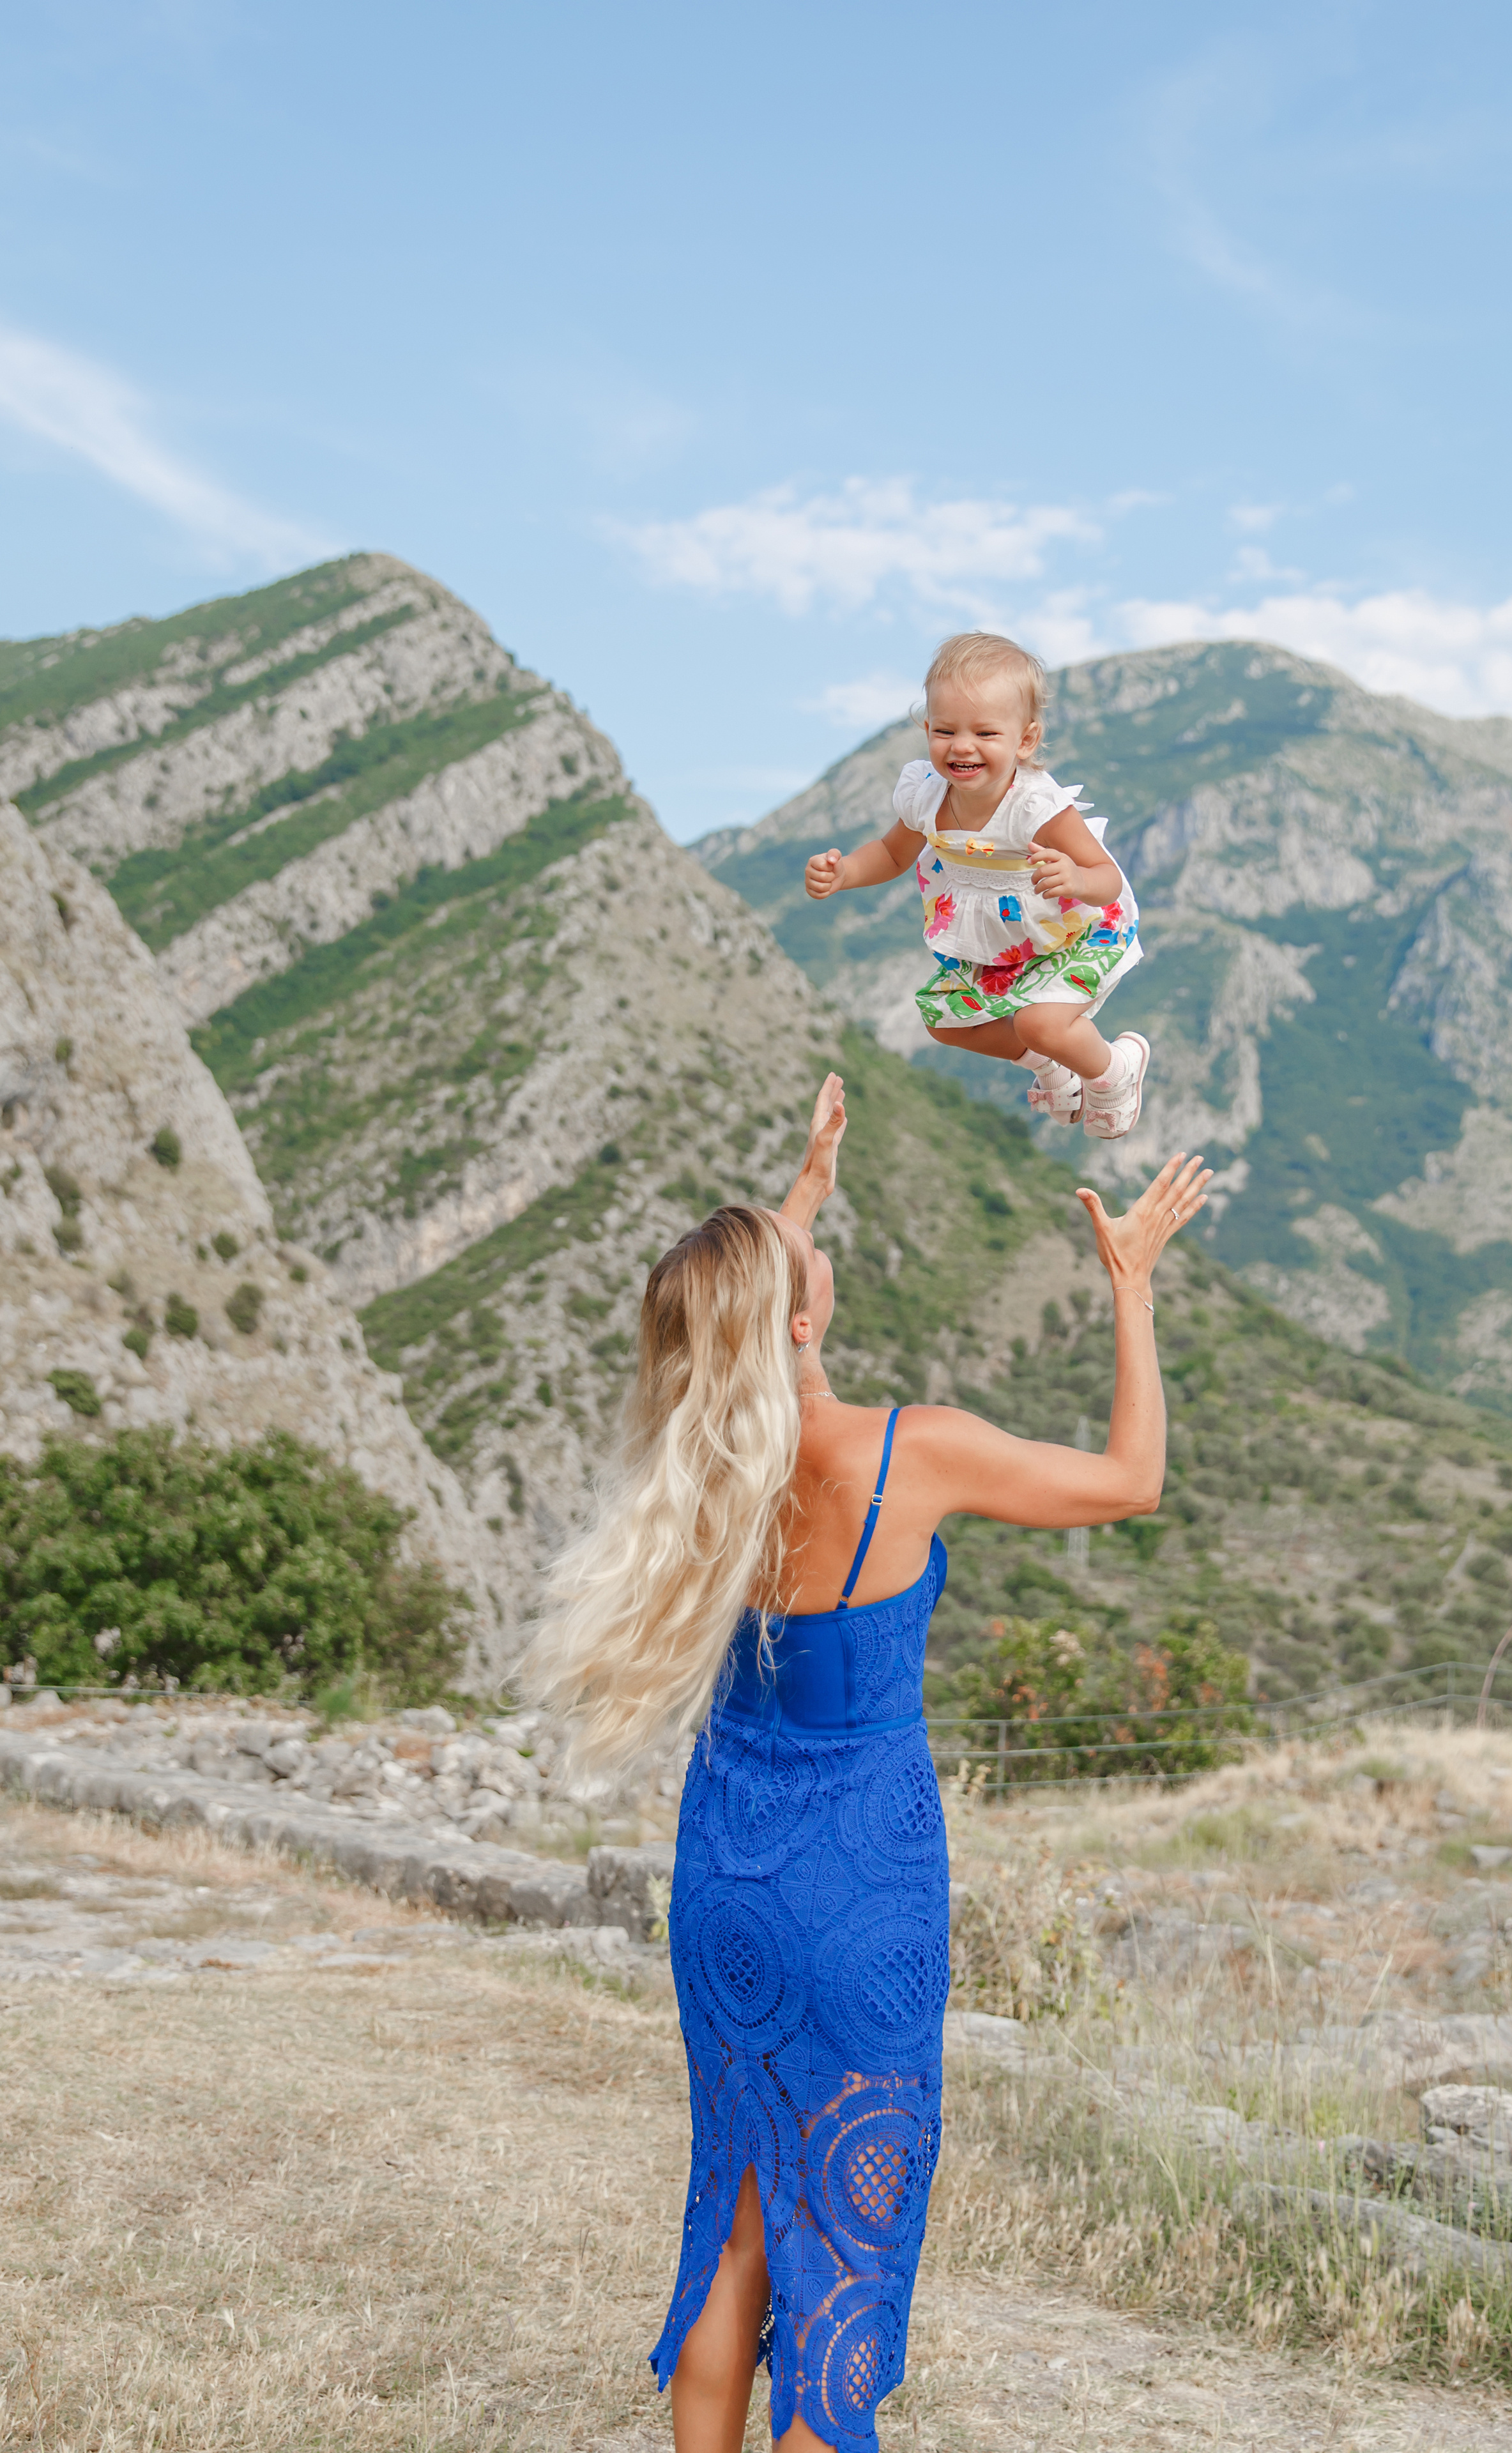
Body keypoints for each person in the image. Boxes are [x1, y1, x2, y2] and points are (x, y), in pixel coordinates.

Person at [516, 1076, 1209, 2452]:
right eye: (801, 1256)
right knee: (843, 2242)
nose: (812, 1250)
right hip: (860, 1890)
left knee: (735, 2220)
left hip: (726, 1885)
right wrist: (1127, 1283)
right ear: (797, 1317)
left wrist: (809, 1182)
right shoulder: (907, 1453)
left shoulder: (708, 1464)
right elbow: (1132, 1482)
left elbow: (737, 1320)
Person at [803, 631, 1149, 1138]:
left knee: (1040, 1024)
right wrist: (844, 874)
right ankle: (1049, 1066)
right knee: (945, 1022)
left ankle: (1115, 1071)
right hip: (1003, 946)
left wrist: (1073, 876)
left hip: (1071, 930)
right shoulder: (926, 796)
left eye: (985, 734)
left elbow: (1107, 878)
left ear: (1024, 740)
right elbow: (892, 853)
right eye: (945, 730)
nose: (962, 746)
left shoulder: (1035, 808)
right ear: (927, 728)